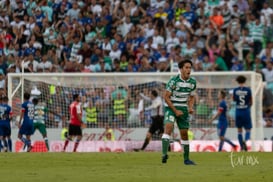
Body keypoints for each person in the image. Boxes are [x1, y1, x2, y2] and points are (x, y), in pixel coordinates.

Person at [162, 59, 196, 165]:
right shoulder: (173, 81)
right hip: (171, 108)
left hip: (183, 109)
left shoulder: (192, 82)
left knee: (184, 134)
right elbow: (166, 97)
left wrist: (190, 107)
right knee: (168, 127)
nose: (188, 70)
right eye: (186, 67)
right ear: (181, 69)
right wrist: (175, 110)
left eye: (190, 67)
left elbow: (192, 97)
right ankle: (164, 154)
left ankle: (186, 159)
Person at [233, 75, 252, 151]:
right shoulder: (248, 90)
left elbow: (234, 100)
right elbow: (251, 101)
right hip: (246, 111)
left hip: (238, 111)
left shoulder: (235, 90)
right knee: (248, 129)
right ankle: (245, 141)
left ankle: (241, 147)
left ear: (238, 81)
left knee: (239, 130)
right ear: (245, 81)